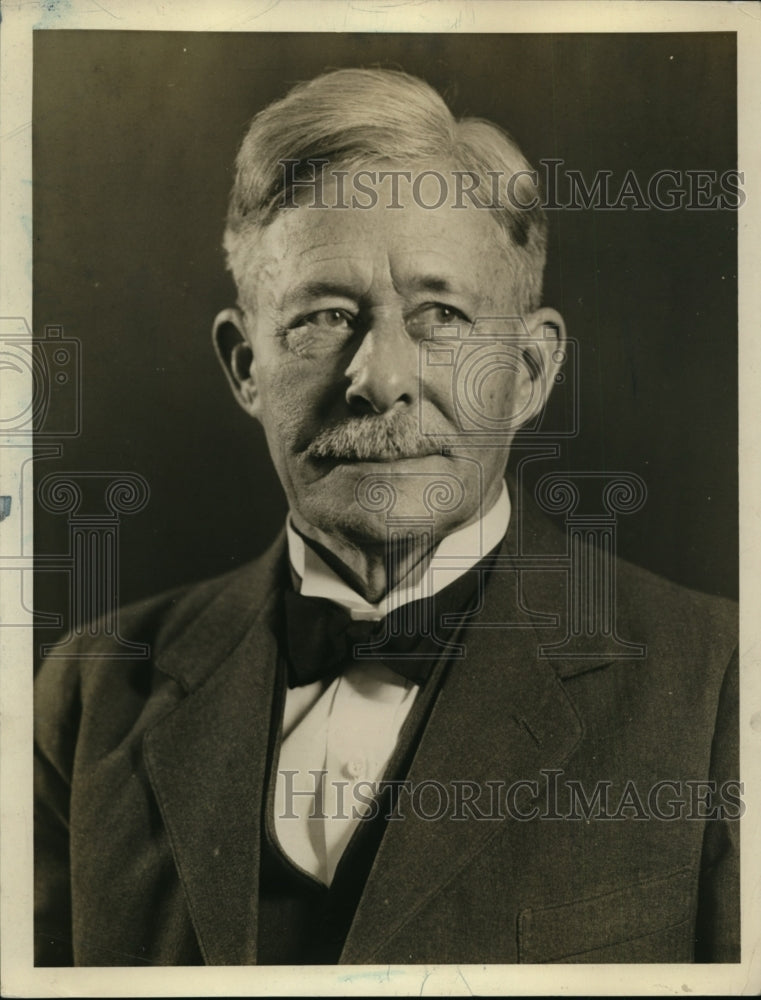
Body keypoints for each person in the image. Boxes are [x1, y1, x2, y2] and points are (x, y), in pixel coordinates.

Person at [34, 68, 739, 966]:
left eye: (439, 315)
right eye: (324, 317)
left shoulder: (719, 684)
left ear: (529, 372)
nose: (379, 378)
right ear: (245, 365)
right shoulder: (87, 696)